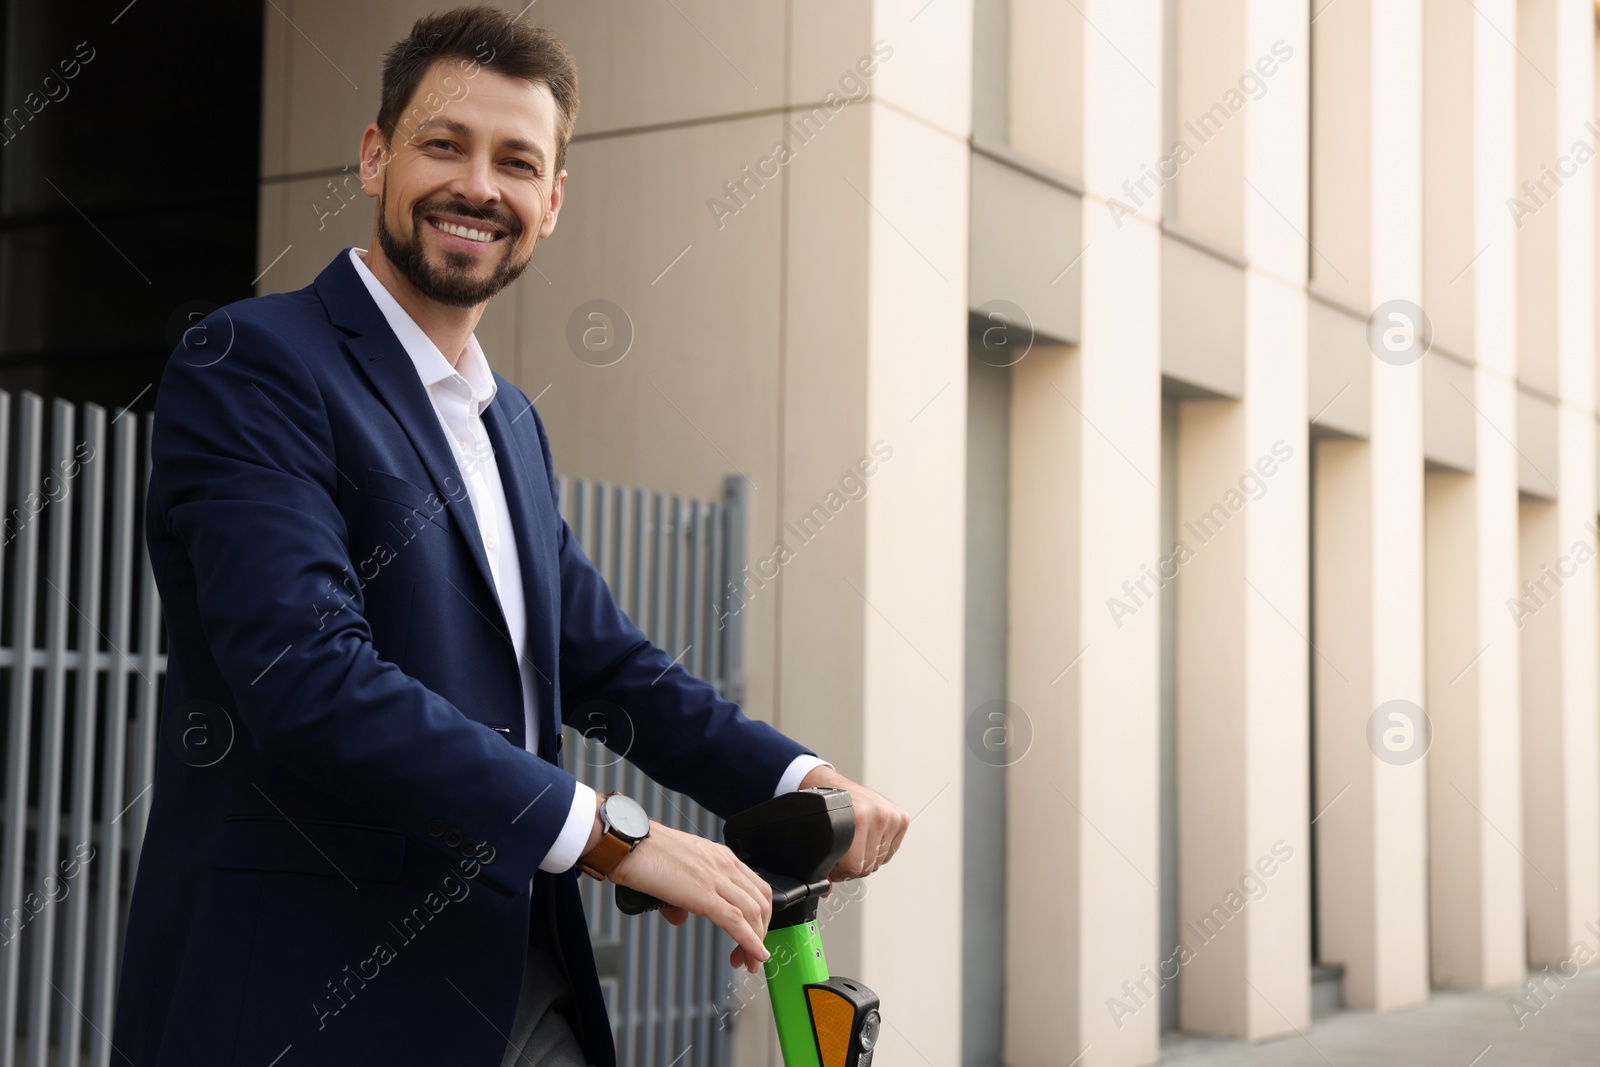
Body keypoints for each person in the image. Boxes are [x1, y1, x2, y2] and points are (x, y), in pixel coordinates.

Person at [109, 7, 908, 1065]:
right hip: (311, 994)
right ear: (375, 155)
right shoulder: (254, 362)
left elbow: (601, 661)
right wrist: (614, 836)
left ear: (553, 201)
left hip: (514, 975)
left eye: (516, 162)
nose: (479, 186)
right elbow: (307, 677)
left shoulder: (508, 420)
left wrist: (796, 779)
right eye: (445, 144)